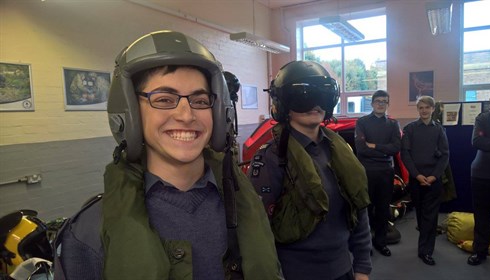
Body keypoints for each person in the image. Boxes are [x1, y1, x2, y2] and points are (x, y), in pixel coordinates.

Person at [53, 30, 282, 279]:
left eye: (200, 101)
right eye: (163, 99)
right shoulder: (89, 232)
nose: (186, 115)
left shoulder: (244, 205)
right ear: (129, 112)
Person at [249, 61, 372, 280]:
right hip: (293, 273)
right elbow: (258, 230)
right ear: (284, 103)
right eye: (304, 95)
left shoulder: (341, 151)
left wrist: (362, 266)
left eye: (321, 95)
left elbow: (358, 208)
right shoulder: (271, 157)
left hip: (343, 269)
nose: (315, 104)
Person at [401, 95, 449, 266]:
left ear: (433, 109)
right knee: (421, 216)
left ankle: (426, 251)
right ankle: (426, 243)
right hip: (416, 179)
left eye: (427, 107)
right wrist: (417, 175)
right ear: (418, 109)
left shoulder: (439, 130)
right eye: (421, 107)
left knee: (431, 216)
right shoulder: (410, 129)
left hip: (433, 179)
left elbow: (445, 155)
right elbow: (405, 154)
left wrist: (434, 176)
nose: (424, 110)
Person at [355, 90, 401, 257]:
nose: (381, 104)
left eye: (384, 101)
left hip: (386, 173)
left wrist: (373, 146)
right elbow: (361, 149)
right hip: (366, 171)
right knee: (366, 210)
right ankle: (365, 245)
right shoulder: (362, 122)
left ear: (388, 104)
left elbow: (396, 148)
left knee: (382, 210)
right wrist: (384, 150)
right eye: (378, 101)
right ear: (372, 103)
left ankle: (381, 243)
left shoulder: (393, 124)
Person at [467, 84, 490, 266]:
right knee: (482, 215)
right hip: (482, 174)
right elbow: (477, 141)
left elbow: (486, 141)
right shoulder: (483, 118)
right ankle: (480, 251)